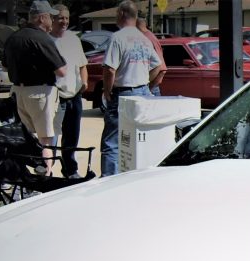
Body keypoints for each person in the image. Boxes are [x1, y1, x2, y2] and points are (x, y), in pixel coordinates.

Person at [100, 0, 164, 176]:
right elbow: (157, 66)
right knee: (139, 139)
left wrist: (107, 90)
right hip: (143, 93)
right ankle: (136, 176)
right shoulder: (143, 39)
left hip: (123, 92)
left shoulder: (117, 38)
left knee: (112, 142)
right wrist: (146, 82)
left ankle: (108, 180)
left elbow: (110, 69)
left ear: (121, 14)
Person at [3, 0, 67, 173]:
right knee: (45, 139)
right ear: (41, 18)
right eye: (50, 17)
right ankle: (45, 176)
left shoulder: (13, 37)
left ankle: (22, 176)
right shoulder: (42, 38)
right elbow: (61, 71)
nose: (52, 21)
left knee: (24, 137)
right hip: (40, 92)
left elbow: (4, 66)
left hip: (17, 92)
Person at [51, 3, 88, 178]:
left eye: (66, 18)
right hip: (56, 95)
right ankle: (47, 169)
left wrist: (85, 82)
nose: (64, 21)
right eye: (60, 18)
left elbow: (82, 65)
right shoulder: (47, 40)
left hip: (75, 95)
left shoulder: (74, 39)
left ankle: (70, 170)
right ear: (52, 19)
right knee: (52, 136)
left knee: (72, 136)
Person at [137, 14, 165, 95]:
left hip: (150, 89)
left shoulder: (148, 38)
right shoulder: (141, 37)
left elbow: (162, 69)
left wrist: (148, 88)